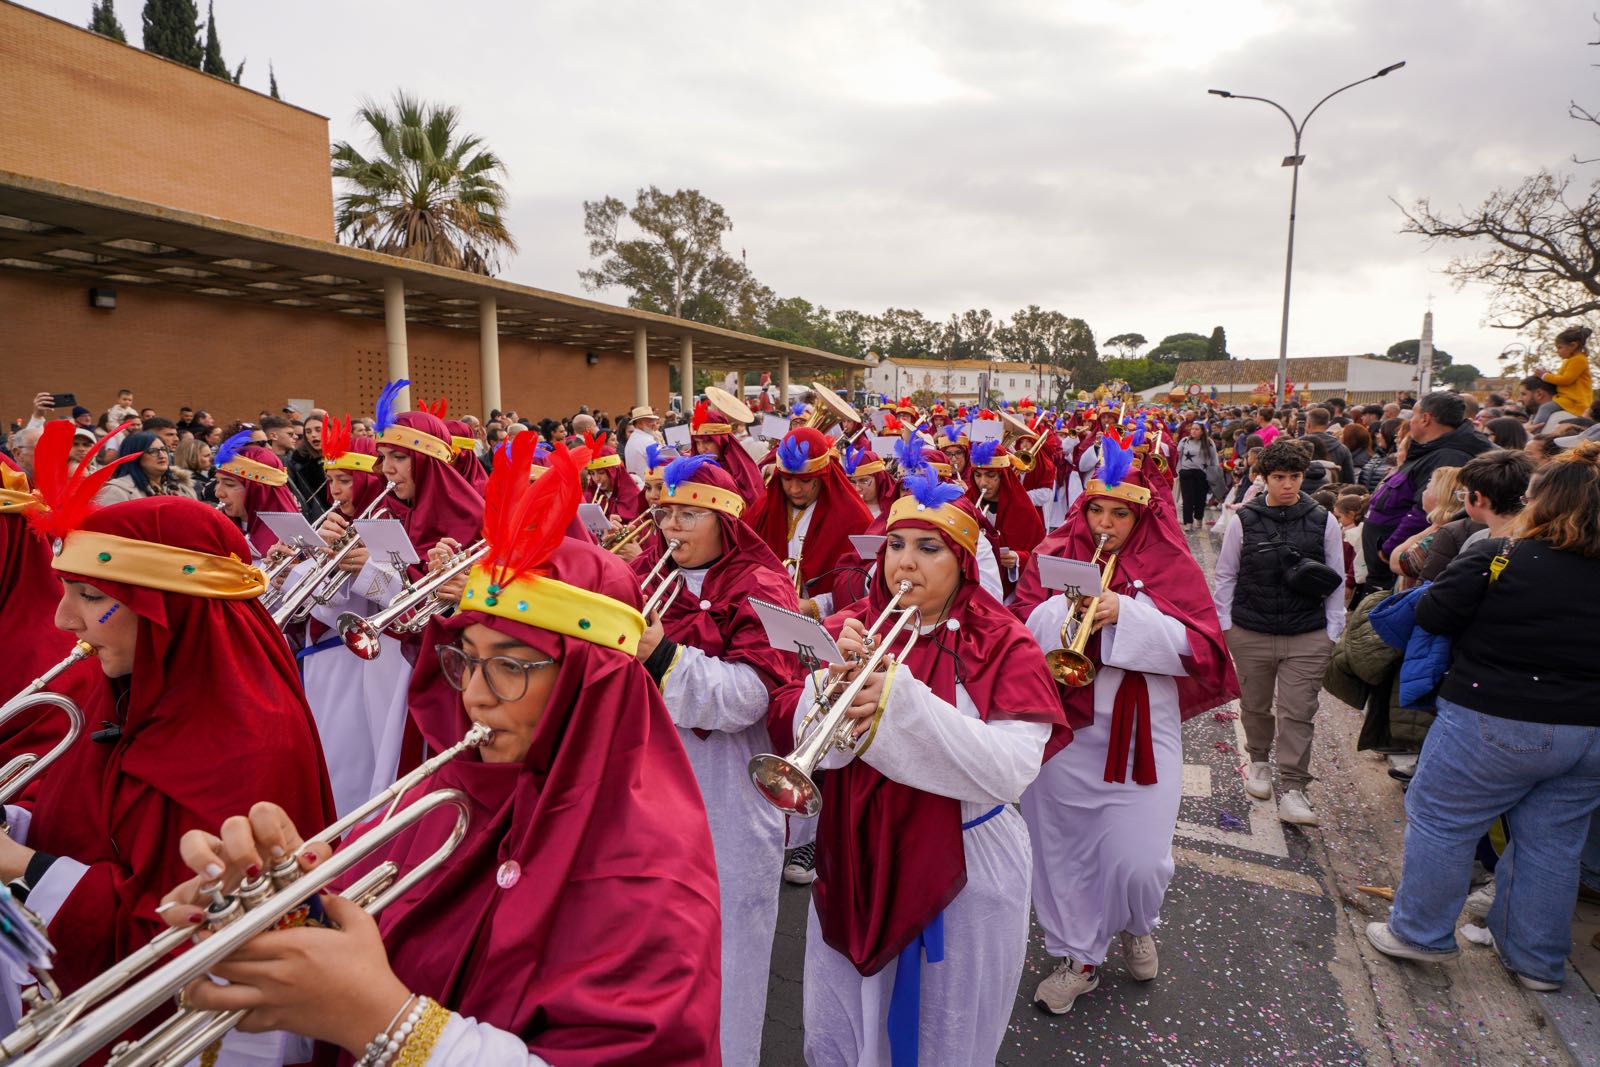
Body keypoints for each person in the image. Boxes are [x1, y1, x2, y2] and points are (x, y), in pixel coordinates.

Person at [160, 443, 722, 1065]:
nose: (474, 696)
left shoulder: (650, 869)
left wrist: (383, 1020)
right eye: (465, 659)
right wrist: (286, 922)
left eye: (509, 664)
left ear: (585, 686)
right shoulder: (440, 797)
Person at [7, 490, 333, 1061]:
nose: (63, 619)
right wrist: (15, 818)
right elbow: (74, 805)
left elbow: (179, 940)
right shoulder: (121, 682)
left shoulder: (251, 740)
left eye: (90, 596)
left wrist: (17, 865)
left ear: (169, 609)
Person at [771, 466, 1068, 1067]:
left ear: (962, 560)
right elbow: (806, 739)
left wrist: (902, 703)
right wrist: (823, 689)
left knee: (946, 1033)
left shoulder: (1005, 642)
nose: (905, 564)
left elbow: (1013, 768)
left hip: (965, 865)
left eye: (929, 549)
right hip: (857, 851)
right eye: (896, 546)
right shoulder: (847, 628)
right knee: (842, 1026)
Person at [1014, 436, 1237, 1015]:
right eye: (1096, 510)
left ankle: (1139, 921)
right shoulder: (1057, 551)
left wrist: (1128, 614)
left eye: (1119, 513)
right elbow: (1016, 631)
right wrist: (1060, 612)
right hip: (1067, 732)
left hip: (1141, 732)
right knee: (1061, 850)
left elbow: (1204, 650)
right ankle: (1078, 956)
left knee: (1142, 862)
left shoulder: (1169, 562)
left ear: (1141, 513)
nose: (1105, 524)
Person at [1366, 443, 1600, 992]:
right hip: (1588, 732)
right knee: (1551, 843)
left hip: (1493, 716)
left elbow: (1432, 611)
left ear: (1544, 503)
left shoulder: (1501, 554)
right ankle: (1536, 962)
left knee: (1443, 821)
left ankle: (1420, 933)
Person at [632, 454, 800, 1066]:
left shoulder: (766, 584)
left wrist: (661, 656)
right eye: (666, 513)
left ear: (725, 521)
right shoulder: (648, 570)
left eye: (688, 514)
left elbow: (752, 697)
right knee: (649, 943)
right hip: (649, 779)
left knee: (727, 953)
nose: (671, 527)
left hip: (728, 793)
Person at [1213, 440, 1347, 825]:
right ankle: (1258, 761)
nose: (1287, 485)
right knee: (1254, 704)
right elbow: (1226, 575)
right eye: (1279, 477)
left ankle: (1293, 786)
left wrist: (1331, 631)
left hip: (1307, 633)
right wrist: (1227, 626)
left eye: (1294, 477)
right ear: (1263, 478)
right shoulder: (1245, 519)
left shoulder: (1324, 519)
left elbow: (1336, 578)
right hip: (1250, 629)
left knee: (1298, 711)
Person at [286, 419, 411, 818]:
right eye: (331, 480)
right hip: (331, 657)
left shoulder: (387, 525)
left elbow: (395, 602)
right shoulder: (337, 523)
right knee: (333, 752)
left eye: (344, 480)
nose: (334, 491)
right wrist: (301, 562)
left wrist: (361, 570)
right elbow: (320, 604)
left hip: (366, 657)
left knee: (362, 758)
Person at [1362, 393, 1493, 589]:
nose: (1411, 421)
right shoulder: (1434, 450)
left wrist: (1388, 550)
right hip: (1388, 565)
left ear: (1425, 418)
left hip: (1400, 565)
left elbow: (1427, 512)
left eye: (1413, 415)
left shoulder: (1449, 455)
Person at [749, 426, 872, 621]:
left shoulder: (854, 518)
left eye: (805, 481)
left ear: (823, 475)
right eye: (787, 479)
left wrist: (813, 606)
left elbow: (861, 587)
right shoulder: (761, 510)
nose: (794, 489)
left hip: (826, 625)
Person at [967, 439, 1045, 597]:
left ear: (1003, 476)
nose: (983, 482)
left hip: (1012, 592)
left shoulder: (1022, 508)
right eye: (978, 475)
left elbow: (1041, 555)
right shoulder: (967, 502)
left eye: (990, 475)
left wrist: (1018, 558)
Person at [212, 430, 301, 562]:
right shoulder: (218, 528)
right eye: (218, 482)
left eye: (229, 484)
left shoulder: (290, 538)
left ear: (258, 492)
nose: (218, 493)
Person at [689, 400, 765, 508]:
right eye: (697, 442)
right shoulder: (693, 470)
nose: (701, 448)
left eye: (707, 441)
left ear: (721, 441)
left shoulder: (744, 471)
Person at [94, 431, 196, 504]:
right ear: (134, 456)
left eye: (163, 449)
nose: (162, 455)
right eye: (152, 451)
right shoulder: (116, 491)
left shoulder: (183, 486)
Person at [582, 433, 646, 523]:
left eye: (601, 473)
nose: (596, 479)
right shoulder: (590, 495)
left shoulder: (632, 494)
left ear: (614, 472)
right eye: (592, 474)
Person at [1175, 422, 1222, 528]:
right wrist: (1179, 471)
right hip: (1186, 473)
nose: (1193, 431)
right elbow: (1178, 456)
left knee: (1200, 498)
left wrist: (1215, 473)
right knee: (1187, 499)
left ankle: (1199, 518)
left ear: (1202, 431)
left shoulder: (1209, 442)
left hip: (1202, 474)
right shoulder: (1184, 441)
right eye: (1192, 429)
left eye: (1196, 429)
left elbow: (1214, 458)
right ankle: (1188, 522)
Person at [1542, 325, 1594, 419]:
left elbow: (1566, 380)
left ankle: (1535, 430)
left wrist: (1545, 376)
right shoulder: (1570, 360)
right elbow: (1560, 378)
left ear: (1573, 345)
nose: (1557, 351)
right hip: (1567, 398)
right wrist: (1549, 374)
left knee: (1545, 408)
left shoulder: (1579, 360)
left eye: (1560, 347)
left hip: (1574, 401)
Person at [623, 404, 664, 479]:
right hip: (649, 485)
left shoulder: (634, 438)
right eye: (650, 421)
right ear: (640, 423)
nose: (654, 424)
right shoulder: (647, 441)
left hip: (640, 484)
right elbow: (663, 463)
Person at [173, 436, 215, 501]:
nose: (212, 459)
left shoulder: (208, 475)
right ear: (192, 458)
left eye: (211, 454)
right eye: (206, 456)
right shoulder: (193, 484)